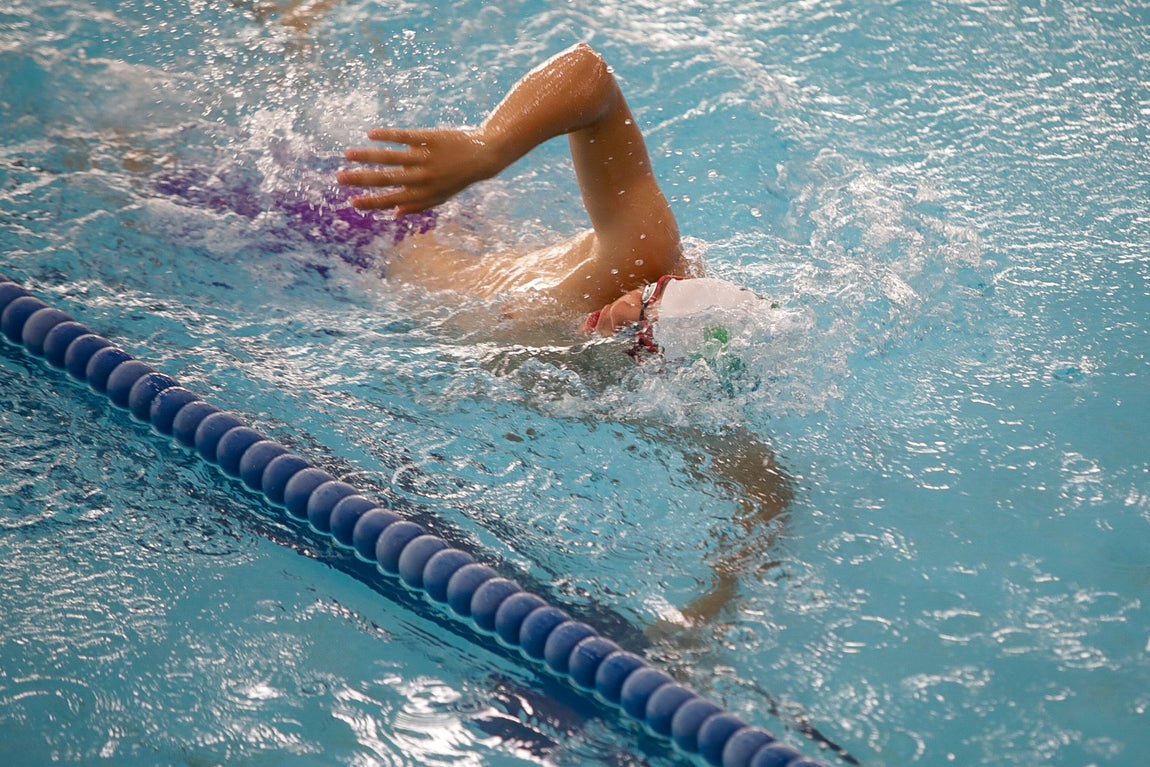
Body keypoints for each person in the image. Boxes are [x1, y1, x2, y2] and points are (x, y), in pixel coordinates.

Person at [336, 42, 718, 343]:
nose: (624, 314)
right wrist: (487, 146)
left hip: (439, 254)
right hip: (376, 227)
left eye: (639, 338)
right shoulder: (643, 255)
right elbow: (588, 71)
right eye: (648, 304)